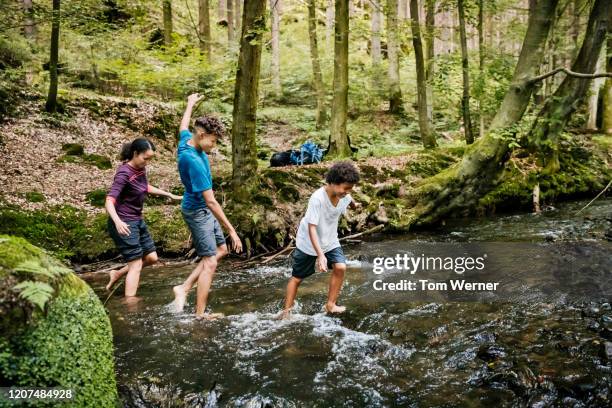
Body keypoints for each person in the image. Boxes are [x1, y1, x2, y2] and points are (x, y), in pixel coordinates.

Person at [172, 93, 243, 319]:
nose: (214, 145)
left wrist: (190, 103)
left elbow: (183, 125)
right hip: (197, 211)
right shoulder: (193, 161)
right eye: (212, 140)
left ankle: (183, 288)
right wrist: (231, 230)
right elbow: (211, 201)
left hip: (202, 208)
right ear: (201, 136)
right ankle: (200, 315)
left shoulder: (187, 141)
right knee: (210, 262)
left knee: (220, 250)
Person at [281, 161, 360, 319]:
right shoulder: (317, 199)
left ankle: (330, 304)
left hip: (330, 240)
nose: (347, 192)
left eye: (350, 188)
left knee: (340, 267)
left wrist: (355, 205)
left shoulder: (343, 195)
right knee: (297, 278)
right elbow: (311, 229)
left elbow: (350, 200)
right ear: (332, 183)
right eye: (345, 188)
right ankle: (286, 312)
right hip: (309, 243)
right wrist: (320, 255)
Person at [105, 138, 182, 297]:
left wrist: (167, 194)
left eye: (150, 159)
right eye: (145, 158)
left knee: (152, 258)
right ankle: (130, 304)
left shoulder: (140, 169)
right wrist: (117, 221)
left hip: (137, 219)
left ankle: (118, 274)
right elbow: (109, 201)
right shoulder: (123, 173)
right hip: (124, 222)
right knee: (136, 265)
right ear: (135, 153)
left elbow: (143, 187)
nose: (147, 162)